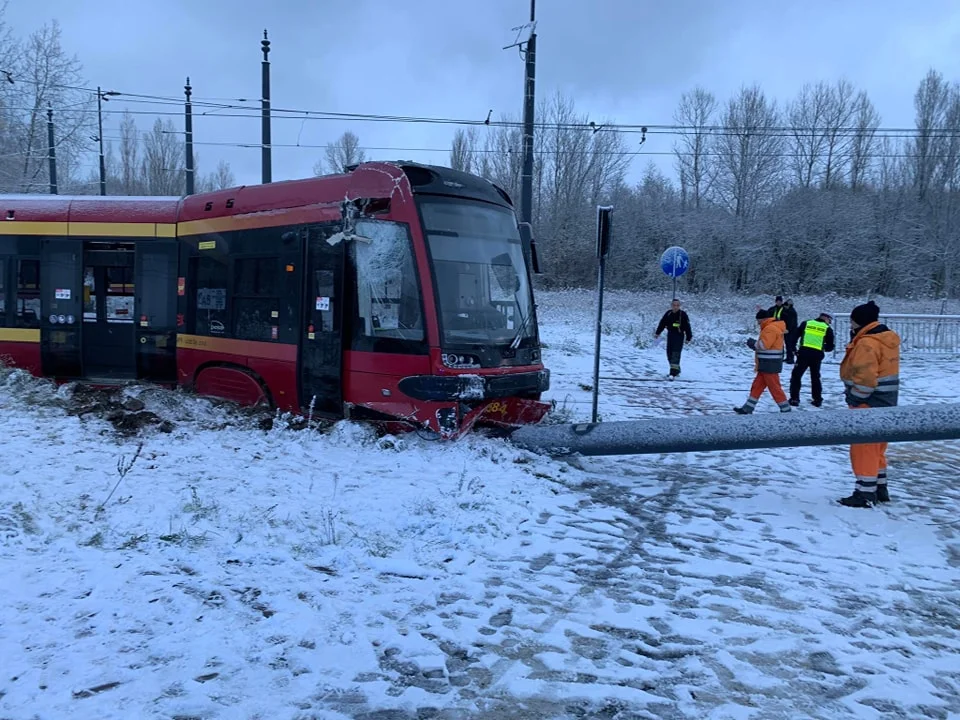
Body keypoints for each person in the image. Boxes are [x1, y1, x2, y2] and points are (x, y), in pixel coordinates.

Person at [838, 300, 900, 508]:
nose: (850, 325)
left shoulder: (867, 343)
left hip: (868, 403)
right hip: (886, 402)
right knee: (877, 448)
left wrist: (855, 397)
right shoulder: (885, 339)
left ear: (860, 321)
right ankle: (879, 487)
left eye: (852, 321)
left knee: (863, 447)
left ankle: (865, 493)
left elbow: (865, 379)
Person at [734, 309, 791, 414]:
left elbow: (764, 345)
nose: (757, 323)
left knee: (774, 387)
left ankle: (786, 409)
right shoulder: (772, 327)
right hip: (767, 363)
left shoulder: (770, 329)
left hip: (769, 364)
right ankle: (748, 408)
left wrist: (753, 343)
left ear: (763, 319)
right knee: (757, 386)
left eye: (758, 320)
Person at [789, 312, 835, 408]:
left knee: (796, 376)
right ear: (826, 318)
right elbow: (830, 347)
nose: (829, 323)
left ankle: (794, 399)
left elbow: (794, 336)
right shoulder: (827, 329)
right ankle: (817, 399)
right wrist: (822, 347)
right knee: (815, 377)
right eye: (829, 321)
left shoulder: (806, 323)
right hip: (817, 355)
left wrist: (793, 349)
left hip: (803, 353)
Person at [654, 298, 693, 379]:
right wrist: (658, 333)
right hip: (670, 335)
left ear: (680, 306)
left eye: (677, 305)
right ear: (671, 306)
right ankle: (677, 370)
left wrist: (688, 337)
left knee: (675, 354)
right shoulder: (668, 313)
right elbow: (662, 323)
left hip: (679, 336)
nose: (675, 307)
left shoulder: (683, 314)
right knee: (669, 354)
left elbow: (687, 327)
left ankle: (673, 373)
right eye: (674, 305)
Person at [782, 299, 799, 364]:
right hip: (789, 330)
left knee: (791, 345)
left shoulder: (791, 312)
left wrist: (788, 329)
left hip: (791, 331)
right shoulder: (788, 311)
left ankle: (792, 358)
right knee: (788, 345)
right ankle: (789, 357)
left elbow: (791, 323)